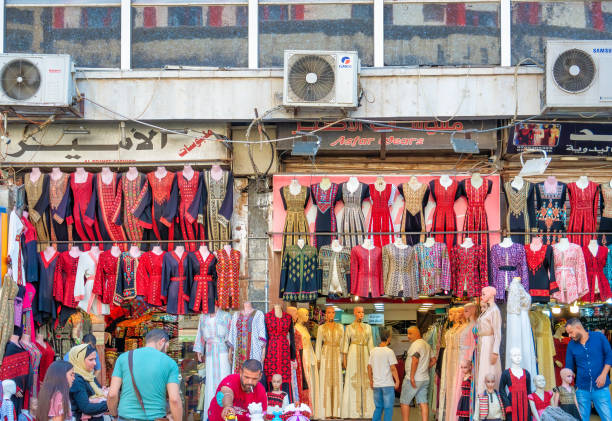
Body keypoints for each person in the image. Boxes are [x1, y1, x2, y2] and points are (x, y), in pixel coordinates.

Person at [107, 329, 182, 421]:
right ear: (162, 341)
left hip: (125, 417)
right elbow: (174, 399)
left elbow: (112, 394)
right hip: (155, 417)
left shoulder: (123, 358)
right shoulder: (170, 363)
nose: (166, 351)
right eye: (167, 346)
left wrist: (114, 414)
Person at [564, 317, 612, 421]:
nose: (569, 336)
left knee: (608, 418)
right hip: (581, 389)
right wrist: (567, 382)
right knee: (582, 418)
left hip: (601, 386)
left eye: (571, 332)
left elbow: (609, 355)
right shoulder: (571, 345)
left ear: (578, 327)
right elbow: (568, 366)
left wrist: (604, 374)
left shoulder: (599, 337)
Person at [401, 326, 434, 421]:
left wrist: (411, 377)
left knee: (404, 402)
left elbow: (415, 360)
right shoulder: (426, 344)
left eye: (410, 333)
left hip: (414, 379)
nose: (408, 336)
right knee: (423, 402)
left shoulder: (416, 344)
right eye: (408, 333)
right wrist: (424, 368)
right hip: (424, 379)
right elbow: (434, 360)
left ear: (417, 333)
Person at [68, 344, 108, 421]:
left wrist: (100, 396)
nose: (95, 363)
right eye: (91, 360)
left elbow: (99, 394)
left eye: (95, 359)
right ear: (79, 359)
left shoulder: (89, 375)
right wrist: (109, 403)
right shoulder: (76, 379)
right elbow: (86, 408)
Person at [367, 327, 400, 421]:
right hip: (387, 385)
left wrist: (371, 381)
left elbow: (369, 367)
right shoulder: (389, 351)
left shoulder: (373, 351)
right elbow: (393, 368)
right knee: (388, 409)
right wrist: (397, 381)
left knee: (378, 408)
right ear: (388, 338)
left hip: (377, 385)